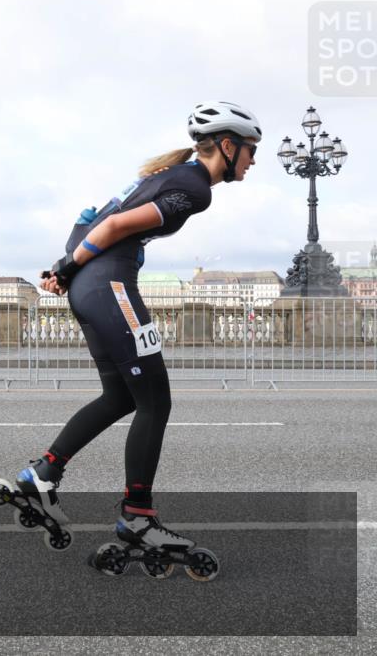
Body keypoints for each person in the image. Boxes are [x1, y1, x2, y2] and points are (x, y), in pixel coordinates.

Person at [15, 101, 262, 550]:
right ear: (227, 146)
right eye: (250, 150)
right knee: (155, 402)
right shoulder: (195, 188)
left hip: (92, 291)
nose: (253, 160)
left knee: (120, 396)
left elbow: (87, 221)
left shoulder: (159, 178)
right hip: (109, 290)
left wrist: (66, 268)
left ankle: (44, 471)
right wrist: (69, 267)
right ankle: (138, 517)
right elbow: (111, 227)